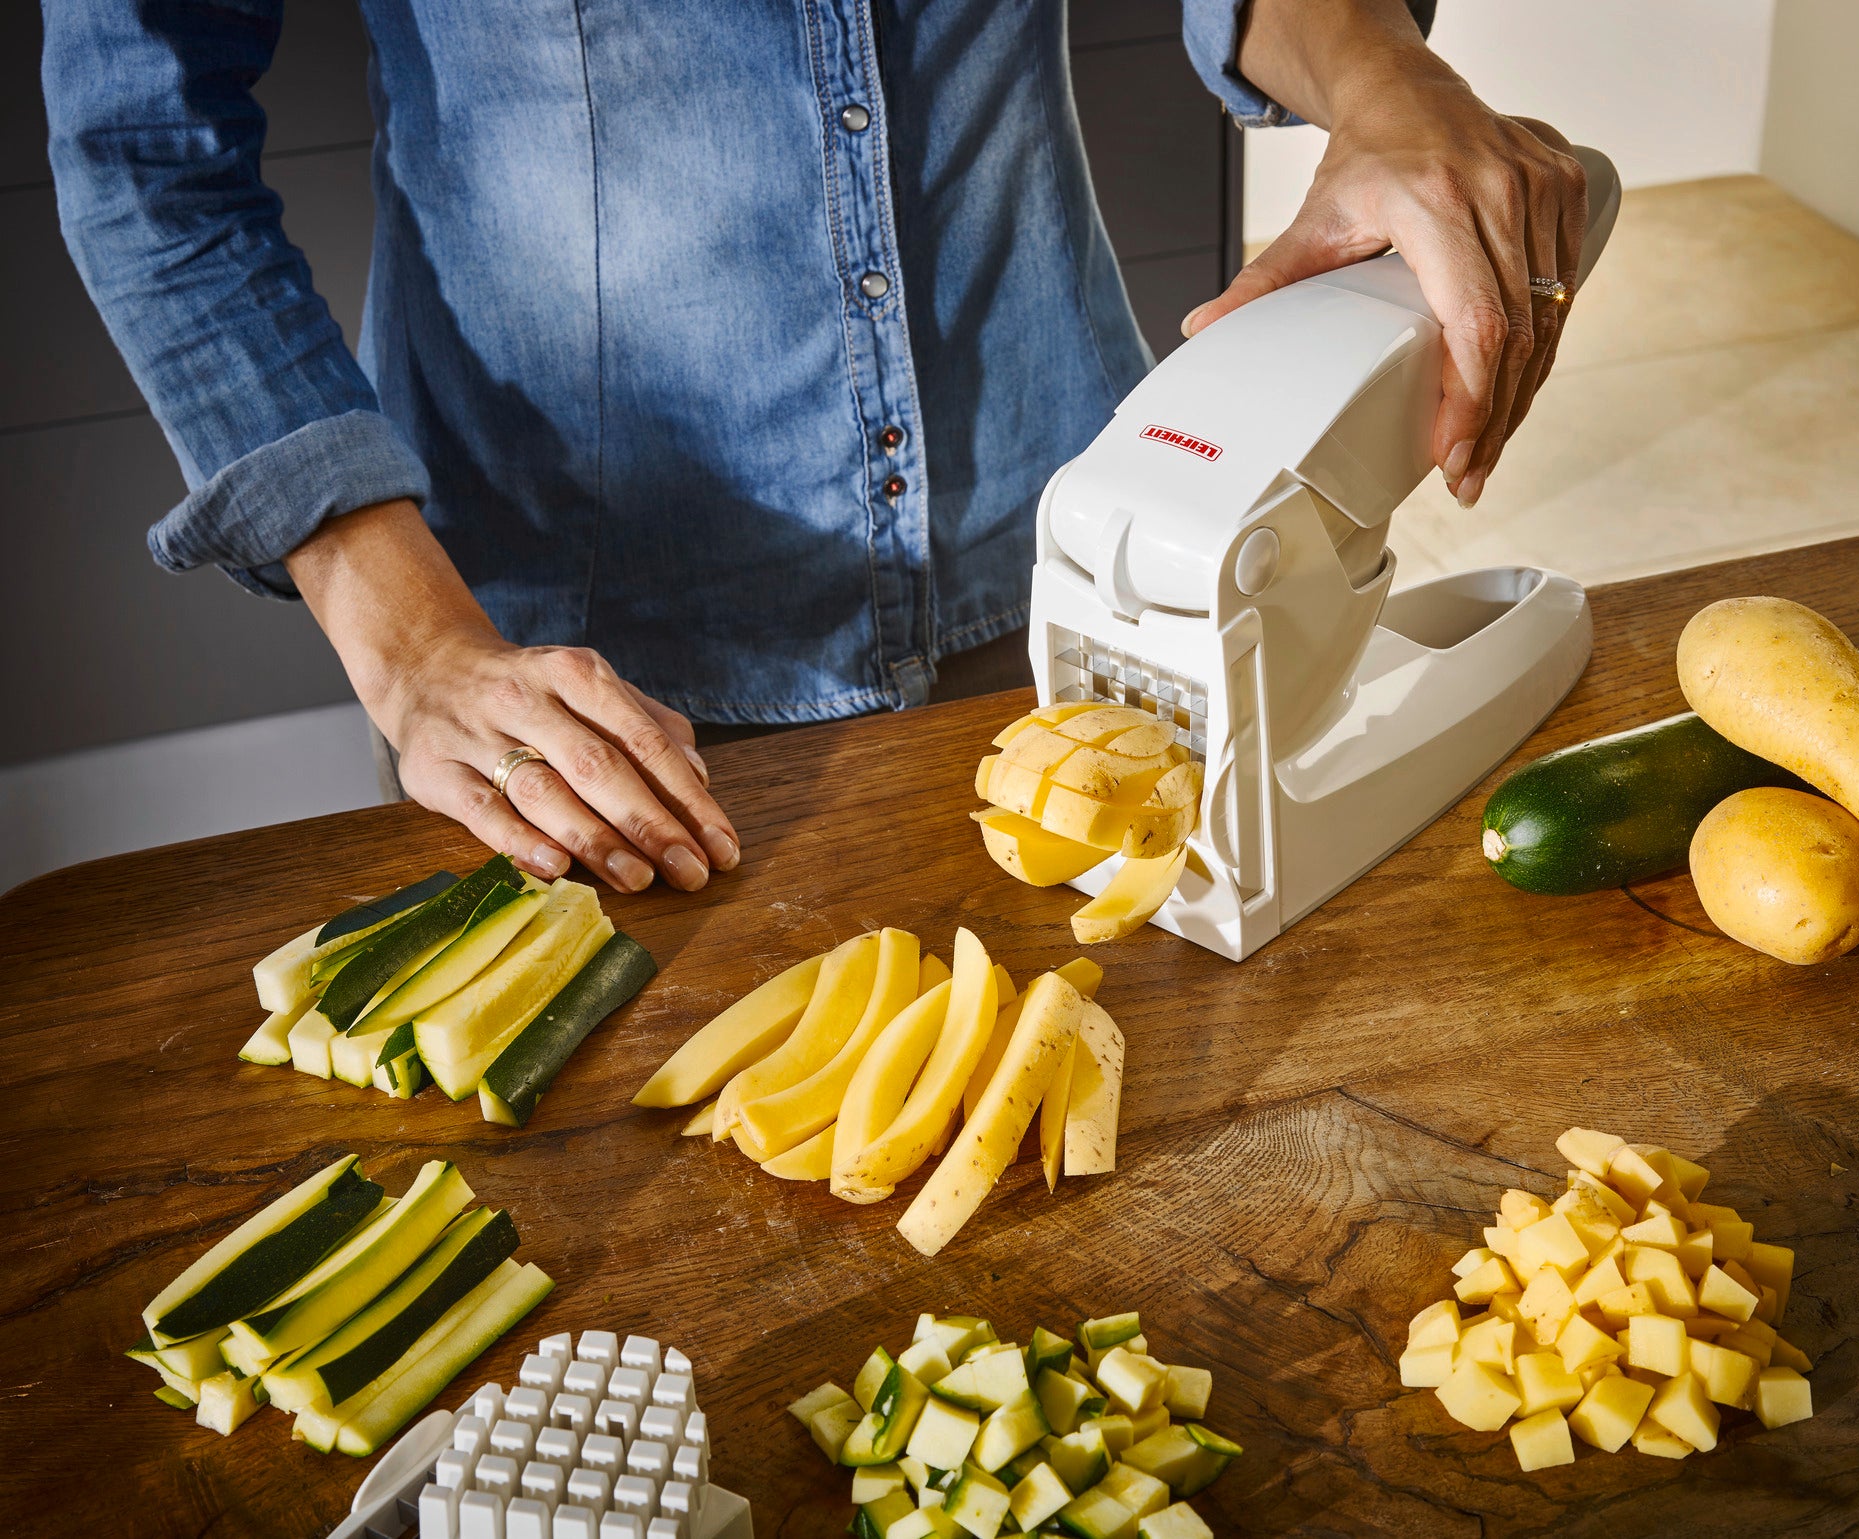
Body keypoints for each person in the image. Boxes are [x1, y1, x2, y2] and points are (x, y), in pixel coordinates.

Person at [44, 0, 1587, 898]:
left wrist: (1390, 83)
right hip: (594, 706)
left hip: (1073, 549)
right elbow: (139, 148)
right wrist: (412, 650)